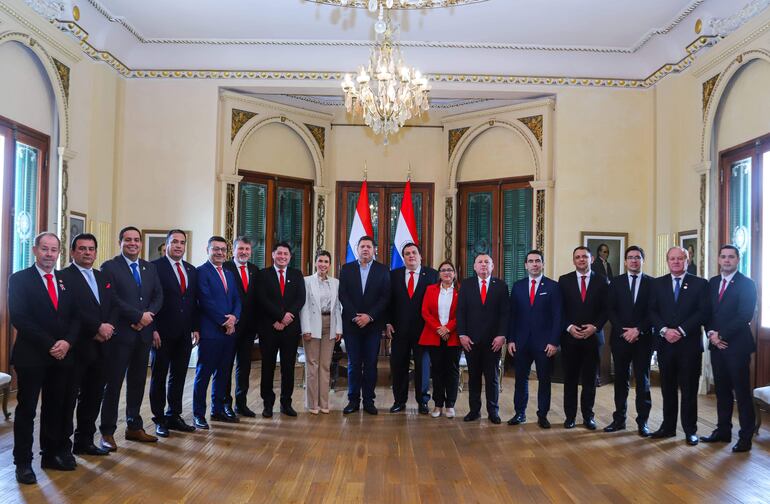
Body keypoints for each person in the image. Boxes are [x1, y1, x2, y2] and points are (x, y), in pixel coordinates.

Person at [8, 232, 79, 484]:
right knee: (27, 410)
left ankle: (50, 455)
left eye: (54, 250)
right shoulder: (19, 280)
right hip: (32, 356)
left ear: (59, 253)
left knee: (55, 407)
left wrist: (67, 342)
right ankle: (23, 463)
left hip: (62, 356)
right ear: (35, 251)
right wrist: (51, 344)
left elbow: (75, 317)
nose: (49, 254)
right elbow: (20, 317)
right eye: (44, 249)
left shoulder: (65, 281)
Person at [100, 226, 164, 450]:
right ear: (120, 242)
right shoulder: (109, 267)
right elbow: (112, 298)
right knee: (113, 384)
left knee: (137, 382)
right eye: (128, 240)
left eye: (136, 240)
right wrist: (138, 316)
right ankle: (107, 432)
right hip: (121, 335)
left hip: (143, 335)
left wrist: (147, 318)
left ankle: (134, 426)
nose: (133, 243)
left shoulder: (149, 267)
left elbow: (158, 296)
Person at [59, 233, 117, 458]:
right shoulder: (63, 277)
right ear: (73, 252)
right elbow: (71, 311)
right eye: (82, 248)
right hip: (78, 346)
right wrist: (96, 328)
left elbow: (113, 305)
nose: (87, 253)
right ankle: (63, 446)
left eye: (91, 249)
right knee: (69, 398)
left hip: (103, 347)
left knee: (93, 397)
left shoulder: (102, 277)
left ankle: (85, 441)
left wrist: (109, 326)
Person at [649, 246, 709, 446]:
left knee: (689, 389)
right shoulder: (658, 284)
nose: (676, 262)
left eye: (680, 258)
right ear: (667, 261)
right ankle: (667, 427)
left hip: (689, 345)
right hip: (665, 344)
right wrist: (665, 330)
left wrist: (681, 330)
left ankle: (690, 431)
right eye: (672, 259)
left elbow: (703, 312)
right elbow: (652, 311)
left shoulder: (700, 284)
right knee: (667, 388)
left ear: (687, 259)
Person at [700, 245, 757, 453]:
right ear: (718, 259)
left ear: (738, 260)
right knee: (722, 392)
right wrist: (711, 335)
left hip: (737, 347)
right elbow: (707, 314)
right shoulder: (713, 283)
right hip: (716, 346)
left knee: (741, 393)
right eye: (723, 256)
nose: (726, 260)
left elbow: (744, 316)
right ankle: (723, 431)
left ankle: (745, 437)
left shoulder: (747, 284)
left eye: (731, 257)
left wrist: (720, 335)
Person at [149, 230, 199, 437]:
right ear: (167, 244)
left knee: (179, 376)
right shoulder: (154, 268)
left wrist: (195, 327)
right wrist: (152, 329)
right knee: (159, 376)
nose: (178, 246)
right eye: (174, 242)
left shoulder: (190, 269)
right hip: (161, 332)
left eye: (182, 242)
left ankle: (174, 415)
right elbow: (149, 299)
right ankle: (159, 418)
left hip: (184, 332)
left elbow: (193, 300)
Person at [506, 250, 562, 429]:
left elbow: (557, 317)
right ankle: (519, 413)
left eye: (538, 261)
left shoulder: (553, 286)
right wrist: (511, 339)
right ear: (526, 265)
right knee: (520, 379)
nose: (534, 264)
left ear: (543, 264)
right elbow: (512, 316)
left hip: (544, 343)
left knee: (544, 380)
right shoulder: (518, 286)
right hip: (521, 342)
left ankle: (542, 415)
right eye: (531, 261)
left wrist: (554, 342)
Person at [603, 246, 655, 437]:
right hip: (621, 338)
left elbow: (653, 312)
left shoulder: (652, 284)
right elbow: (610, 310)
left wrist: (638, 330)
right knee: (620, 380)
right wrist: (624, 331)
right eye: (630, 258)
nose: (634, 261)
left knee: (643, 381)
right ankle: (619, 420)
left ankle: (643, 422)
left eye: (637, 258)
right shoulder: (615, 283)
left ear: (643, 260)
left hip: (643, 339)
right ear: (625, 262)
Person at [338, 235, 391, 416]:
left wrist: (369, 316)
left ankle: (369, 401)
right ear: (357, 249)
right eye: (362, 247)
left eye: (369, 246)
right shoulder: (346, 269)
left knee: (370, 364)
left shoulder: (383, 270)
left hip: (373, 325)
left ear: (374, 250)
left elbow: (385, 297)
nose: (366, 249)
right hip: (352, 325)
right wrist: (356, 316)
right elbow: (343, 295)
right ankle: (353, 400)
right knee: (353, 364)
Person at [193, 236, 242, 429]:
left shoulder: (229, 273)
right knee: (203, 374)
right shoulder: (201, 272)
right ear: (208, 250)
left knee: (223, 373)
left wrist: (234, 318)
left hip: (228, 333)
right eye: (216, 249)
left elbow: (237, 299)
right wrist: (224, 320)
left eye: (223, 249)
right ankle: (198, 414)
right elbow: (205, 301)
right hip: (211, 331)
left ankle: (218, 409)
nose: (220, 252)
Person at [558, 246, 608, 430]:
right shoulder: (564, 281)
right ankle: (570, 416)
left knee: (589, 381)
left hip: (593, 338)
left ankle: (588, 416)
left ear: (592, 259)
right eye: (577, 257)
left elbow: (606, 309)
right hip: (570, 338)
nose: (581, 260)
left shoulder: (602, 281)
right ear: (573, 261)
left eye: (584, 257)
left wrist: (595, 327)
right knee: (570, 380)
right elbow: (559, 309)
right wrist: (569, 327)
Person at [456, 253, 509, 424]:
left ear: (493, 266)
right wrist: (462, 334)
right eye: (480, 262)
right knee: (474, 377)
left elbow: (504, 314)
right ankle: (474, 411)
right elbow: (461, 311)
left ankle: (493, 411)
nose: (484, 264)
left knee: (492, 378)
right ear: (474, 266)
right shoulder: (466, 285)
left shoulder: (501, 286)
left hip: (493, 342)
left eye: (487, 262)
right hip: (471, 341)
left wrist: (502, 335)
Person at [386, 243, 438, 414]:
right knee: (398, 365)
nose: (411, 256)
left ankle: (423, 402)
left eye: (414, 252)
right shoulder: (393, 275)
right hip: (399, 330)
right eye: (407, 253)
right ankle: (399, 401)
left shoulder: (431, 275)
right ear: (403, 258)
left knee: (422, 367)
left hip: (424, 330)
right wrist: (387, 322)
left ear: (420, 256)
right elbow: (388, 301)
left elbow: (438, 303)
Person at [256, 242, 306, 417]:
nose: (282, 256)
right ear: (273, 255)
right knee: (268, 367)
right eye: (279, 253)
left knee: (288, 368)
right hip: (269, 328)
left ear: (290, 257)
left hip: (289, 330)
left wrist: (287, 318)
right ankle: (267, 404)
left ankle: (286, 403)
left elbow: (300, 299)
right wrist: (279, 317)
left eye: (286, 254)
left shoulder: (297, 274)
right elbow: (262, 299)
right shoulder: (263, 275)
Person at [299, 250, 343, 414]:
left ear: (329, 265)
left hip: (330, 325)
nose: (323, 264)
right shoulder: (307, 281)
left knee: (325, 366)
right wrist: (306, 329)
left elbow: (337, 307)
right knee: (312, 365)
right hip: (312, 325)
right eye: (320, 261)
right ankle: (312, 404)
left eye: (326, 261)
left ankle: (324, 403)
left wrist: (339, 328)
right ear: (315, 262)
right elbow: (303, 307)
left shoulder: (335, 282)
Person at [222, 236, 260, 418]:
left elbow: (257, 299)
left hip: (249, 328)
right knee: (226, 366)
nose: (244, 252)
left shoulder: (254, 270)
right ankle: (225, 404)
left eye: (247, 249)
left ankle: (241, 403)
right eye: (241, 249)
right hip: (229, 327)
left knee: (244, 367)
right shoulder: (225, 268)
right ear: (234, 250)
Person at [419, 260, 459, 418]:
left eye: (450, 270)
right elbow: (425, 311)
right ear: (439, 274)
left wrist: (448, 328)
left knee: (452, 371)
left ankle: (450, 405)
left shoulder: (460, 291)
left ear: (454, 274)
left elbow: (461, 313)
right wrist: (439, 329)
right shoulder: (430, 289)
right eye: (443, 270)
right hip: (434, 335)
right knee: (437, 371)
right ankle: (438, 405)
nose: (447, 272)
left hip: (453, 336)